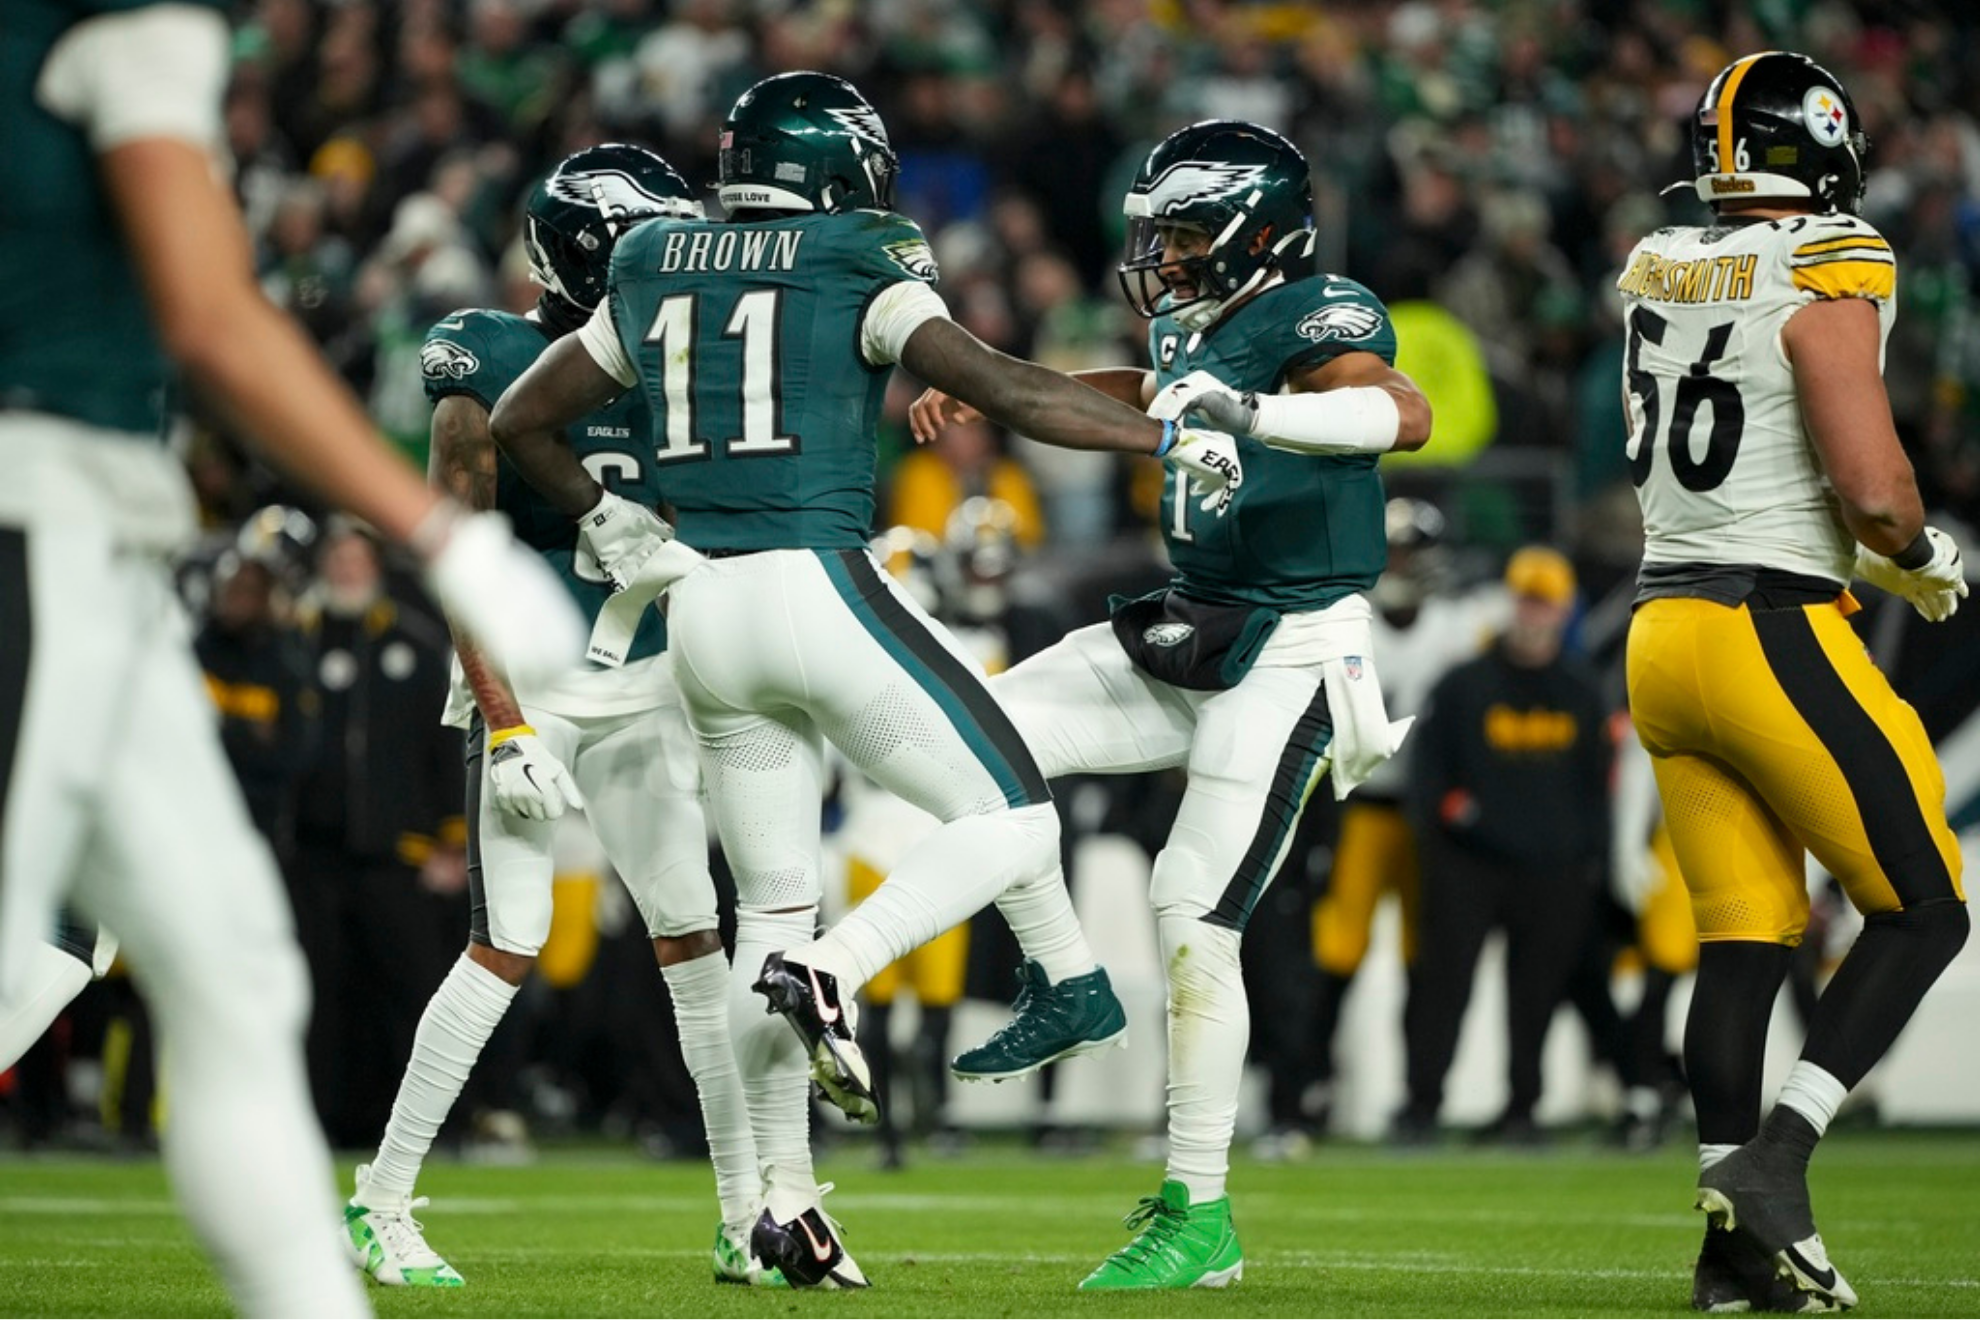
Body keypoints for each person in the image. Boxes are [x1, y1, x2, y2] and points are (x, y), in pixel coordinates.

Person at [488, 72, 1244, 1289]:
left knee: (769, 904)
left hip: (703, 615)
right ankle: (841, 971)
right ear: (838, 165)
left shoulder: (656, 258)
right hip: (817, 586)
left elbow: (525, 418)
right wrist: (1164, 430)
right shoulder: (858, 249)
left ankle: (781, 1211)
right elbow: (1011, 388)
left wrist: (605, 516)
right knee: (1011, 813)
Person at [0, 2, 583, 1314]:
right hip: (37, 515)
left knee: (228, 964)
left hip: (101, 538)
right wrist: (451, 540)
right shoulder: (121, 26)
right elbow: (213, 320)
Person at [912, 119, 1431, 1288]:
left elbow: (1399, 412)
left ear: (1258, 230)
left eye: (1187, 233)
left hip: (1296, 644)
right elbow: (1146, 392)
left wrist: (1255, 417)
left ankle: (1200, 1212)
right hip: (1192, 621)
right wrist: (1004, 395)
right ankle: (1068, 979)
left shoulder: (1321, 310)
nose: (1168, 255)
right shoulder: (1190, 321)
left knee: (1192, 910)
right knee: (974, 736)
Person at [341, 144, 768, 1290]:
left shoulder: (673, 356)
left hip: (649, 680)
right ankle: (380, 1203)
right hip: (534, 683)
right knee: (509, 942)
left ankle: (748, 1217)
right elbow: (457, 556)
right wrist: (506, 722)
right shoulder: (488, 351)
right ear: (585, 251)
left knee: (696, 947)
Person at [1619, 51, 1969, 1312]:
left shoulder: (1657, 260)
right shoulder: (1835, 256)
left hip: (1661, 633)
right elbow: (1871, 488)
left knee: (1744, 941)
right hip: (1769, 625)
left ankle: (1732, 1259)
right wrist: (1922, 557)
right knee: (1926, 904)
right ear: (1822, 147)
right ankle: (1779, 1162)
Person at [1395, 546, 1613, 1145]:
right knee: (1441, 989)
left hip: (1553, 871)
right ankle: (1421, 1106)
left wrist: (1592, 859)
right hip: (1468, 866)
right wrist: (1443, 834)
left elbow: (1599, 786)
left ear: (1563, 610)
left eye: (1543, 602)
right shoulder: (1464, 684)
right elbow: (1428, 776)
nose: (1531, 613)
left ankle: (1521, 1108)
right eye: (1524, 599)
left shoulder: (1581, 690)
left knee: (1535, 997)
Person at [1306, 498, 1499, 1132]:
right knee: (1337, 951)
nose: (1404, 564)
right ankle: (1308, 1088)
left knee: (1427, 959)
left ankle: (1421, 1098)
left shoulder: (1458, 625)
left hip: (1426, 816)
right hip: (1357, 806)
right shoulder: (1343, 622)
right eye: (1395, 551)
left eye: (1413, 551)